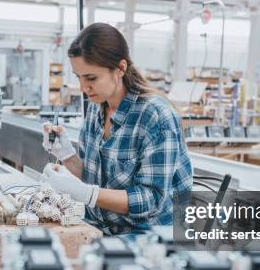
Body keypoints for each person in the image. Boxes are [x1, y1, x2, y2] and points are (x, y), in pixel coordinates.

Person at [41, 22, 192, 239]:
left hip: (149, 234)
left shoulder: (155, 117)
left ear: (120, 68)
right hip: (101, 226)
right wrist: (67, 156)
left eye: (91, 78)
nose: (83, 88)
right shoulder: (96, 110)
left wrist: (85, 193)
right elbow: (96, 177)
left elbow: (151, 200)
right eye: (79, 77)